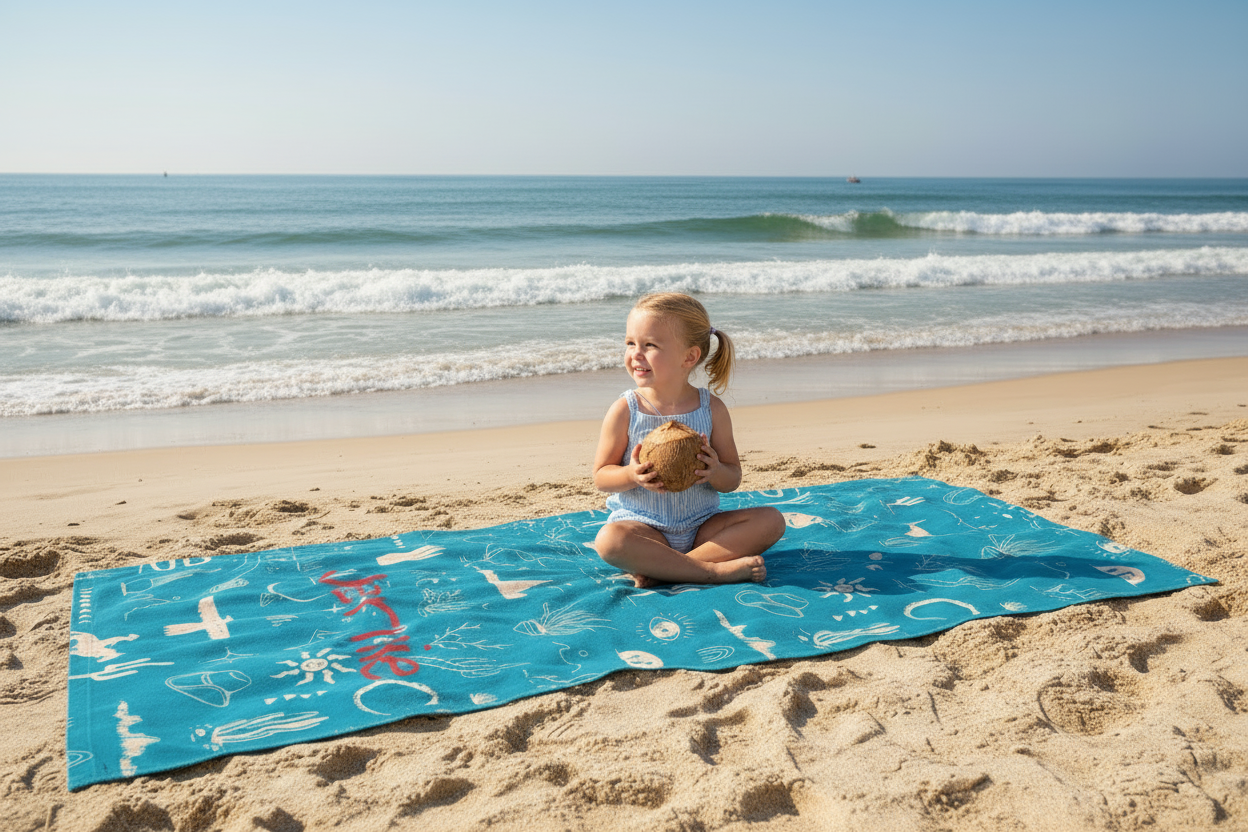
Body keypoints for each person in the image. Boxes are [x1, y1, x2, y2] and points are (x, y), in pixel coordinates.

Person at [592, 292, 785, 587]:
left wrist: (715, 471)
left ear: (690, 356)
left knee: (772, 520)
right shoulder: (626, 410)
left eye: (650, 345)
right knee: (609, 541)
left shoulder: (711, 409)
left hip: (702, 528)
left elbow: (732, 478)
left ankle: (668, 569)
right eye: (630, 343)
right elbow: (602, 477)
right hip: (644, 528)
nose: (636, 354)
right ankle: (714, 572)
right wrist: (631, 474)